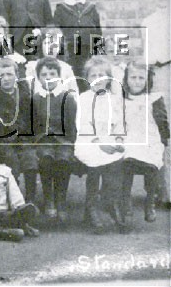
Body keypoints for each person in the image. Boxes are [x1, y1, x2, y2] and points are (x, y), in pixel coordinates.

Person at [74, 57, 126, 233]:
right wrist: (98, 141)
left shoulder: (114, 99)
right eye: (93, 75)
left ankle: (110, 203)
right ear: (87, 79)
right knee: (96, 164)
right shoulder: (83, 98)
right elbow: (83, 125)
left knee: (116, 163)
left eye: (101, 75)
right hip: (89, 140)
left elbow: (120, 123)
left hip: (109, 139)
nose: (97, 78)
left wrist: (118, 139)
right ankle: (92, 207)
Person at [121, 60, 169, 228]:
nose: (137, 81)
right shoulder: (121, 99)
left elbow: (162, 122)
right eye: (133, 77)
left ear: (147, 80)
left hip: (150, 140)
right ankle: (125, 204)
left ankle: (150, 203)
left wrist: (163, 141)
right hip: (129, 139)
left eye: (141, 78)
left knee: (152, 165)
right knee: (126, 164)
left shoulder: (154, 99)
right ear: (126, 79)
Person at [0, 58, 36, 203]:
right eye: (1, 75)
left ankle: (30, 199)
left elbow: (33, 121)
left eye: (9, 74)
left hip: (23, 140)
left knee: (30, 158)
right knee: (11, 162)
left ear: (16, 75)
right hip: (4, 143)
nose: (5, 79)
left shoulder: (25, 97)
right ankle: (14, 200)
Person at [32, 56, 77, 223]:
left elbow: (72, 125)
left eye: (53, 73)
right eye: (44, 74)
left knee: (64, 160)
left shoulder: (67, 98)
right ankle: (48, 198)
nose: (49, 78)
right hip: (43, 140)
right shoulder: (36, 99)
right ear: (39, 77)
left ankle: (61, 200)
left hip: (63, 140)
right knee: (46, 159)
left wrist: (71, 143)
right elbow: (34, 124)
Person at [141, 0, 170, 207]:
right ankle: (165, 191)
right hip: (158, 78)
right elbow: (147, 54)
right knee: (164, 130)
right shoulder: (148, 22)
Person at [53, 0, 102, 92]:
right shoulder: (60, 9)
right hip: (70, 57)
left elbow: (98, 35)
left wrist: (98, 57)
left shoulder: (91, 8)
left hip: (88, 56)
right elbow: (57, 35)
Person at [25, 27, 78, 95]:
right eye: (46, 43)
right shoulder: (32, 67)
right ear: (40, 46)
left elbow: (74, 94)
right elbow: (29, 92)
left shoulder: (66, 68)